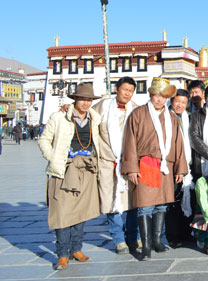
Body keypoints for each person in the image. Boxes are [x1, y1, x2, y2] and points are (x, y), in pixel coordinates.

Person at [121, 77, 189, 261]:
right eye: (156, 95)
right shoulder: (138, 114)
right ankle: (146, 245)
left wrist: (180, 170)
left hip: (166, 166)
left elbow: (179, 143)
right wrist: (132, 168)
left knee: (161, 204)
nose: (159, 99)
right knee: (144, 206)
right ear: (151, 95)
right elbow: (129, 142)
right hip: (146, 164)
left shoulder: (172, 117)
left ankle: (157, 240)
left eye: (163, 96)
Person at [38, 83, 102, 270]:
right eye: (82, 99)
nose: (85, 103)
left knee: (81, 212)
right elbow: (44, 140)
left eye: (89, 99)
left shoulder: (94, 119)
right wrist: (55, 158)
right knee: (62, 212)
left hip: (87, 170)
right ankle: (62, 253)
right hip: (64, 170)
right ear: (75, 99)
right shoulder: (58, 117)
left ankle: (76, 249)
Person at [92, 76, 139, 254]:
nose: (127, 93)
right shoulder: (102, 107)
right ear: (116, 88)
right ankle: (118, 238)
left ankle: (133, 236)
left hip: (129, 162)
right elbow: (85, 119)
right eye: (124, 89)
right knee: (111, 201)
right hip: (106, 161)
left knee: (132, 201)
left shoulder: (135, 109)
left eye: (130, 91)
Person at [166, 89, 195, 248]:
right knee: (173, 202)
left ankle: (185, 233)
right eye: (177, 101)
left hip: (187, 165)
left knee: (187, 198)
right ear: (172, 101)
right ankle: (173, 235)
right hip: (172, 165)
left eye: (184, 102)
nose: (180, 105)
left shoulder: (187, 118)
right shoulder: (165, 117)